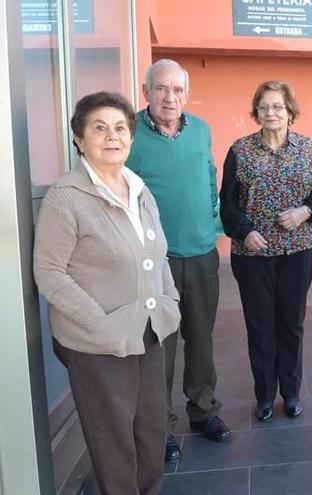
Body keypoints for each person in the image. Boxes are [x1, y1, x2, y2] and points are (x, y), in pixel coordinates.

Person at [33, 92, 181, 494]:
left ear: (130, 138)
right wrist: (100, 323)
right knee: (114, 445)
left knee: (150, 434)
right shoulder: (67, 197)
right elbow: (50, 273)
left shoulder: (138, 189)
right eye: (98, 128)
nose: (111, 136)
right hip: (97, 345)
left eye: (119, 128)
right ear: (79, 139)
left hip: (149, 333)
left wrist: (171, 303)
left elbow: (160, 254)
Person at [126, 58, 228, 461]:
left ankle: (204, 412)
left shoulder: (201, 130)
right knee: (159, 347)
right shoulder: (129, 132)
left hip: (201, 254)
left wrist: (213, 227)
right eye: (162, 89)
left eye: (178, 90)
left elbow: (209, 179)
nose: (170, 97)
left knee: (201, 340)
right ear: (146, 92)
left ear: (186, 93)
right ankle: (159, 426)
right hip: (154, 261)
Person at [220, 80, 312, 423]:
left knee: (291, 324)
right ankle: (265, 396)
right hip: (252, 254)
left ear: (290, 112)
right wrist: (245, 231)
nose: (271, 112)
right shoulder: (240, 150)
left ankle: (292, 392)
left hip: (298, 251)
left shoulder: (309, 149)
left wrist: (304, 212)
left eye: (278, 107)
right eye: (264, 107)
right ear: (256, 112)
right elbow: (226, 203)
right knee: (260, 325)